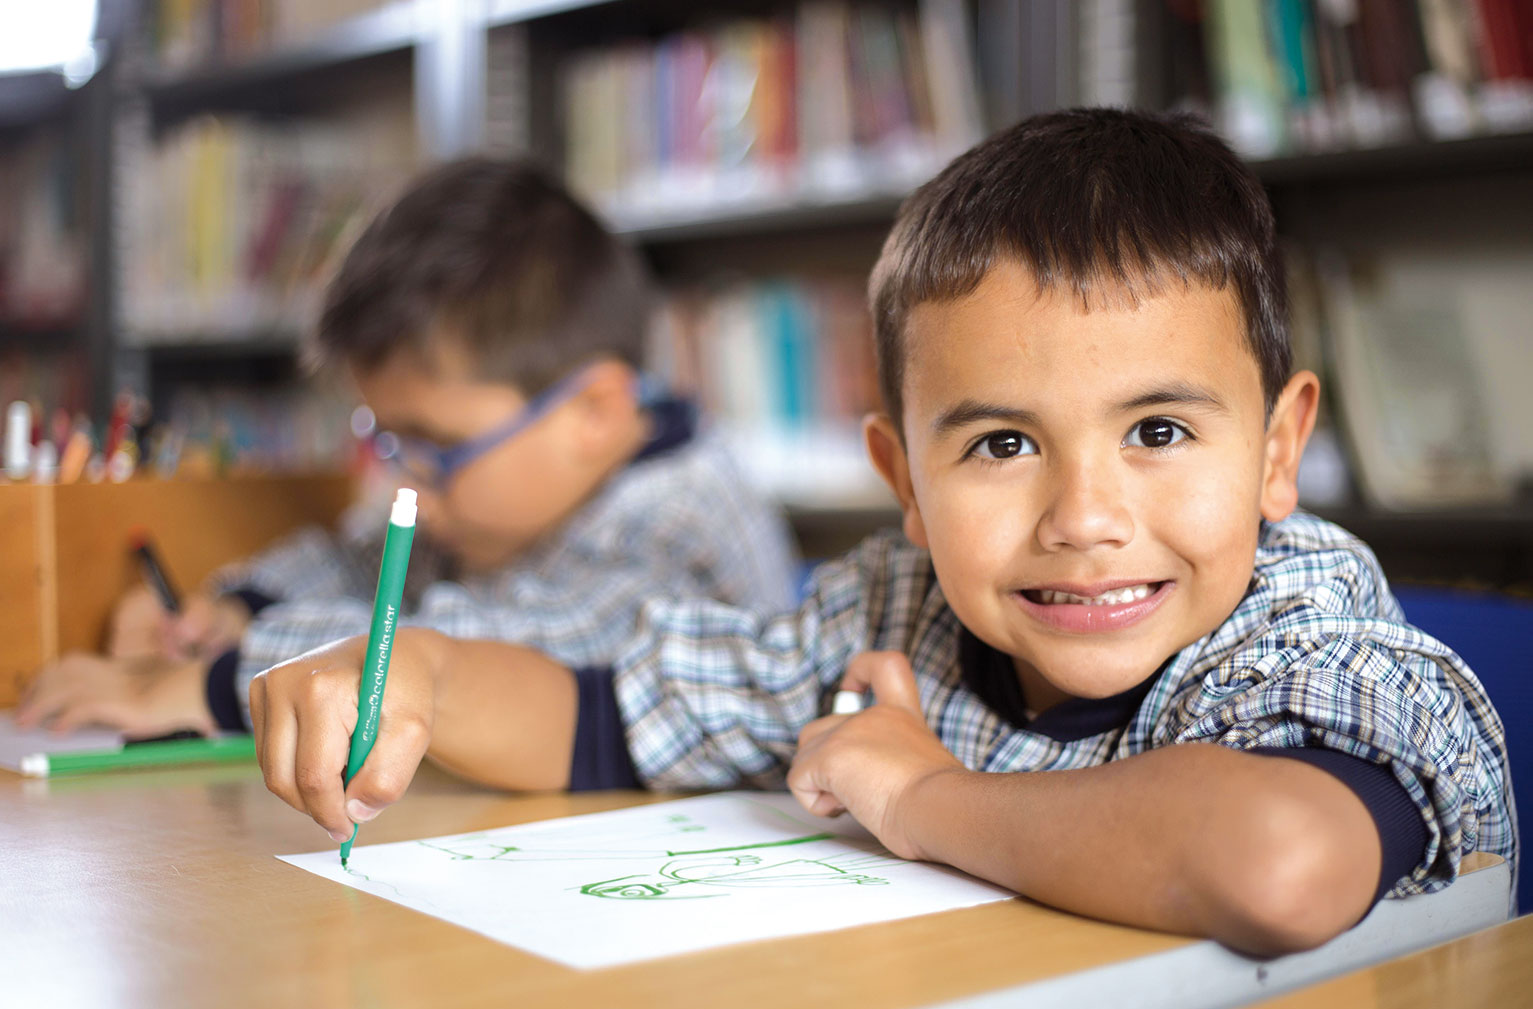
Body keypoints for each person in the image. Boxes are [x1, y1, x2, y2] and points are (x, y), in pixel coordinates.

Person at [239, 110, 1516, 955]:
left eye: (1161, 432)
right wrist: (423, 670)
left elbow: (1279, 861)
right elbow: (602, 715)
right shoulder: (891, 612)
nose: (1083, 518)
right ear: (904, 478)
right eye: (1002, 445)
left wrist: (921, 794)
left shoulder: (1305, 620)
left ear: (1279, 452)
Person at [17, 158, 799, 738]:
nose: (409, 485)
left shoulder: (679, 529)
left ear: (593, 412)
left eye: (438, 446)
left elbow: (479, 656)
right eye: (389, 440)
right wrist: (232, 610)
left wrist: (215, 683)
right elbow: (361, 562)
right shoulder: (493, 501)